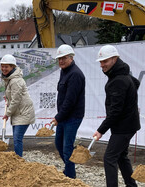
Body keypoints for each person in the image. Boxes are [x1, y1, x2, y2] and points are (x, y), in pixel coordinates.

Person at [92, 45, 140, 187]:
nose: (102, 65)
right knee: (121, 156)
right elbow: (135, 83)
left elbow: (115, 111)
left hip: (123, 126)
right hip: (127, 124)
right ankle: (131, 185)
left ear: (114, 59)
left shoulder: (118, 79)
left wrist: (101, 130)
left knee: (109, 157)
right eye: (100, 62)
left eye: (105, 61)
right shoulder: (121, 74)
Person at [50, 44, 85, 179]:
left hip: (73, 117)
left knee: (67, 147)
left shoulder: (75, 74)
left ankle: (70, 177)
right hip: (64, 116)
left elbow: (70, 101)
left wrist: (58, 117)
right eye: (59, 59)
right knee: (59, 144)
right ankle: (69, 169)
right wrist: (60, 116)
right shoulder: (64, 71)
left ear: (71, 58)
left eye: (63, 58)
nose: (61, 61)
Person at [0, 54, 35, 157]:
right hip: (18, 112)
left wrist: (7, 113)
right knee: (16, 139)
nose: (3, 68)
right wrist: (7, 97)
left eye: (6, 66)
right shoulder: (9, 78)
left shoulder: (16, 80)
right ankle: (18, 160)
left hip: (24, 113)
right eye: (2, 66)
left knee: (17, 139)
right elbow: (13, 95)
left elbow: (16, 100)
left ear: (12, 67)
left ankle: (19, 161)